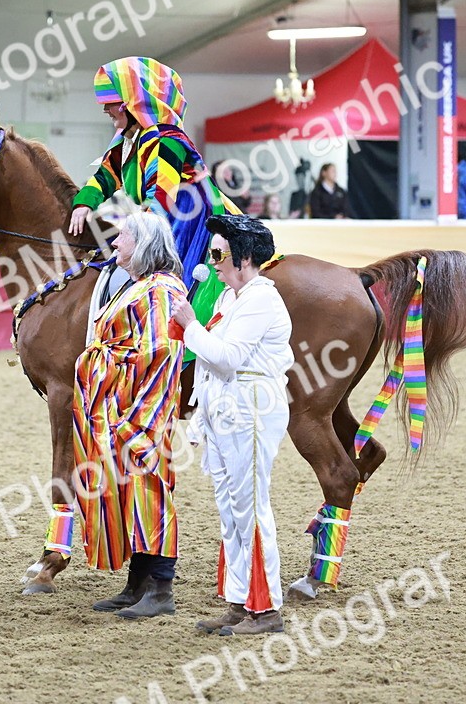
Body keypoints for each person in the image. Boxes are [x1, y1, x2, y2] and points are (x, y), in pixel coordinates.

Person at [171, 215, 293, 636]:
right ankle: (241, 600)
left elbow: (227, 357)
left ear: (244, 258)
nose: (213, 262)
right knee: (231, 509)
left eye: (219, 254)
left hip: (252, 408)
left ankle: (268, 607)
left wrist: (189, 325)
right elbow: (211, 357)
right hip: (225, 408)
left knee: (251, 506)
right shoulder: (229, 298)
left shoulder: (260, 299)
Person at [73, 210, 188, 620]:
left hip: (141, 412)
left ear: (143, 244)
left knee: (150, 492)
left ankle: (161, 588)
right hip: (119, 407)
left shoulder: (160, 291)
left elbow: (161, 354)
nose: (115, 243)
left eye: (122, 237)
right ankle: (138, 584)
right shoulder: (141, 286)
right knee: (132, 495)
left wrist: (140, 417)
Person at [66, 56, 233, 328]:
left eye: (111, 102)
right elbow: (106, 176)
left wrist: (129, 233)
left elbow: (161, 199)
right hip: (159, 217)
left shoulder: (166, 140)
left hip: (186, 219)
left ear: (133, 105)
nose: (105, 109)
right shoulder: (128, 141)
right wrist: (83, 203)